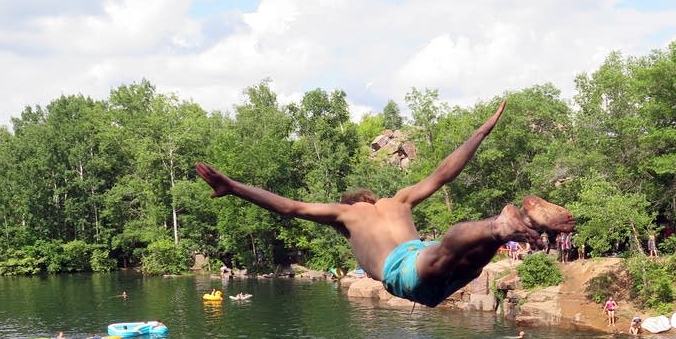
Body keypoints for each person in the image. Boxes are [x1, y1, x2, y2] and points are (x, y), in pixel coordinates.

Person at [196, 102, 574, 308]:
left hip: (405, 271)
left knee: (450, 252)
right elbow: (444, 173)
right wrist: (478, 133)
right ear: (372, 196)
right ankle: (517, 223)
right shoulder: (400, 200)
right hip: (421, 256)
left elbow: (290, 207)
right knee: (459, 253)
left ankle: (500, 226)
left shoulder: (345, 215)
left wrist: (234, 187)